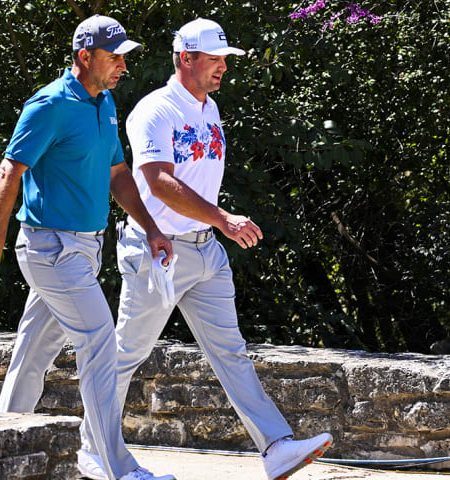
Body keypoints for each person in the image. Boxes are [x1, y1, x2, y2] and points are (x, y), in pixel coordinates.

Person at [75, 18, 333, 480]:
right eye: (214, 59)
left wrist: (214, 226)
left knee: (231, 351)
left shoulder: (209, 108)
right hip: (158, 252)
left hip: (205, 250)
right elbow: (156, 180)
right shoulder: (154, 110)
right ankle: (92, 449)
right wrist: (223, 218)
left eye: (224, 60)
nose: (222, 68)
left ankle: (276, 447)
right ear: (186, 58)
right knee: (126, 354)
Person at [0, 14, 176, 480]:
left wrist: (152, 228)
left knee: (32, 355)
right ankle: (115, 466)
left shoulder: (103, 104)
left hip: (82, 250)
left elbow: (118, 175)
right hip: (51, 250)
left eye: (125, 56)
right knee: (101, 343)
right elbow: (9, 173)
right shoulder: (49, 105)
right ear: (85, 57)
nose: (123, 65)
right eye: (114, 56)